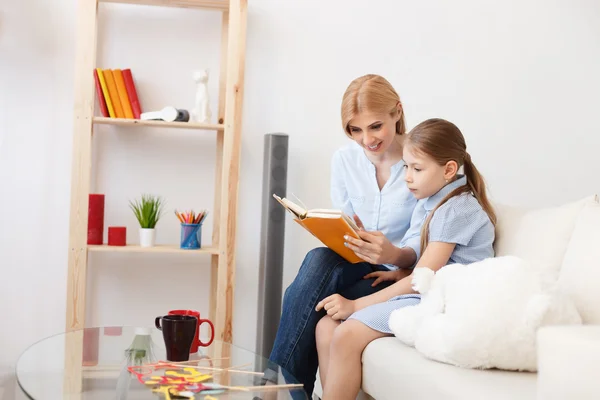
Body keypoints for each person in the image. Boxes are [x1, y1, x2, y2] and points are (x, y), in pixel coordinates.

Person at [315, 118, 497, 400]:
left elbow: (421, 279)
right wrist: (398, 272)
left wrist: (354, 305)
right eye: (406, 167)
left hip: (445, 303)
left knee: (346, 334)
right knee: (326, 326)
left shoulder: (456, 209)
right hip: (428, 292)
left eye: (417, 169)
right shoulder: (433, 201)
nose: (407, 177)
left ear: (449, 169)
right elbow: (430, 268)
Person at [268, 74, 422, 396]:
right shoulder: (344, 160)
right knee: (318, 258)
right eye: (356, 130)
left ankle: (275, 386)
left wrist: (392, 254)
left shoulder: (420, 162)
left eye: (375, 126)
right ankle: (282, 388)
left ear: (397, 111)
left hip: (395, 274)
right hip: (353, 262)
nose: (367, 139)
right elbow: (344, 222)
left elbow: (424, 245)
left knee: (307, 298)